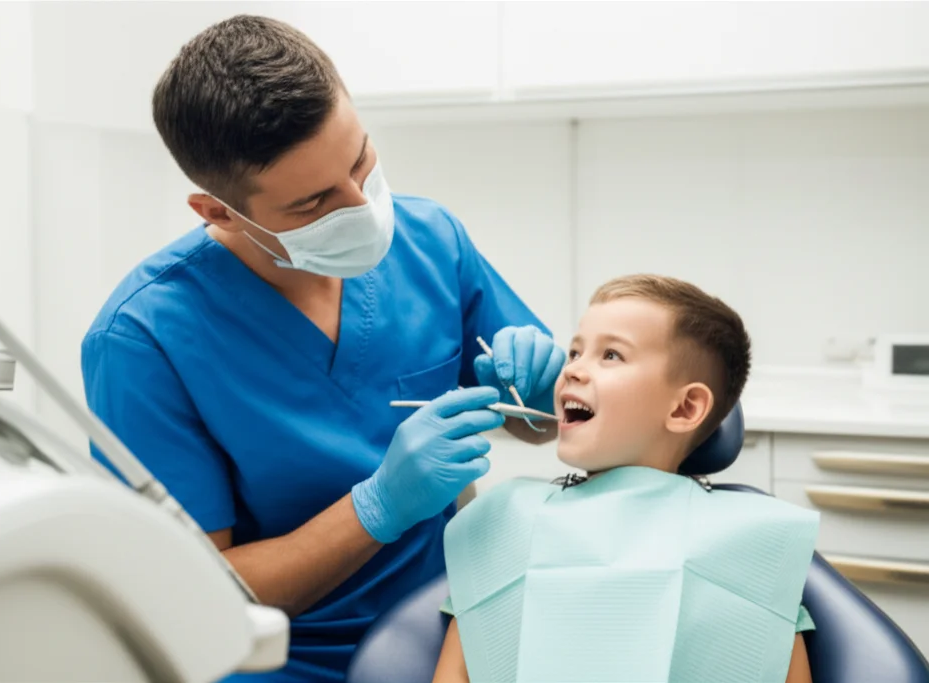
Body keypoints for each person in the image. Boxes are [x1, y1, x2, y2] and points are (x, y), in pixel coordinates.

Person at [79, 14, 565, 683]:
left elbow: (540, 423)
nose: (360, 205)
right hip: (287, 658)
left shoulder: (431, 240)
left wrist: (541, 391)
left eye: (361, 160)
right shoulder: (143, 341)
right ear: (216, 211)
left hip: (459, 626)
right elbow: (197, 588)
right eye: (313, 204)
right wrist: (378, 507)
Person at [433, 274, 816, 683]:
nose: (573, 371)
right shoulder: (507, 522)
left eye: (611, 355)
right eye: (575, 352)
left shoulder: (749, 546)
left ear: (686, 408)